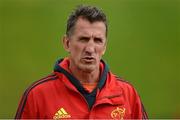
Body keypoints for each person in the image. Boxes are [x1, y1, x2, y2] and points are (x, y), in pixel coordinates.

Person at [15, 5, 148, 119]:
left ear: (105, 47)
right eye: (83, 39)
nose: (90, 49)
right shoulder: (37, 96)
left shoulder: (128, 94)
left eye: (97, 40)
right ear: (67, 43)